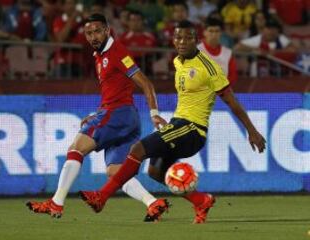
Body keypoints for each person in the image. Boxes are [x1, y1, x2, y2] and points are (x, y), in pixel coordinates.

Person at [79, 20, 266, 224]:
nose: (182, 41)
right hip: (178, 124)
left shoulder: (209, 68)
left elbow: (232, 101)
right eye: (178, 37)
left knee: (137, 149)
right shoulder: (178, 61)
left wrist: (252, 131)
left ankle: (102, 197)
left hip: (192, 129)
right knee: (156, 172)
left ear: (196, 40)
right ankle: (201, 200)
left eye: (187, 37)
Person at [26, 13, 169, 222]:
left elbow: (146, 84)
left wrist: (154, 114)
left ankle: (56, 203)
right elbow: (115, 90)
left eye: (97, 31)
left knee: (76, 148)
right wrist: (99, 112)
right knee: (116, 173)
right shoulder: (99, 56)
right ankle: (153, 203)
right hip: (123, 118)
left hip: (118, 114)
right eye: (88, 33)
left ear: (107, 31)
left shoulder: (117, 51)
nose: (93, 37)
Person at [198, 17, 238, 86]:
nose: (214, 34)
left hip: (223, 93)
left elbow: (232, 77)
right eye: (211, 31)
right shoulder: (196, 51)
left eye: (217, 31)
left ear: (221, 33)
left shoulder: (228, 53)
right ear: (204, 32)